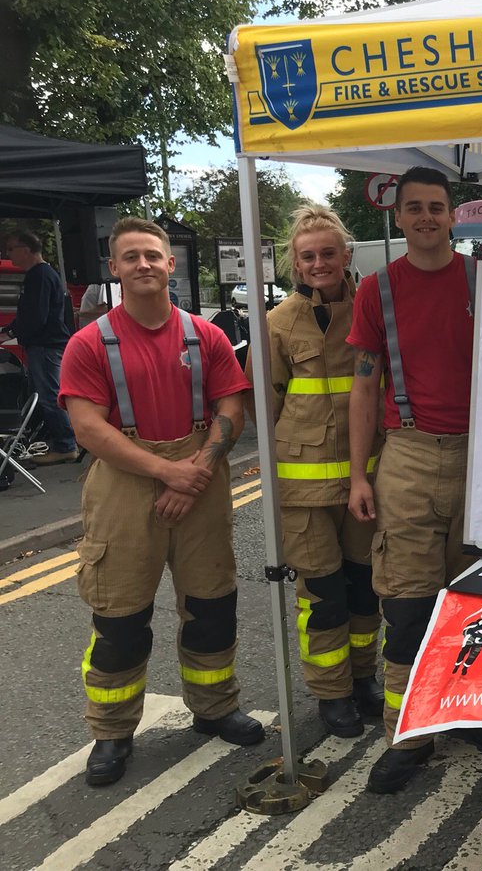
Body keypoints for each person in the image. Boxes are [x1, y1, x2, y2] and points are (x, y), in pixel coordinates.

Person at [59, 217, 264, 787]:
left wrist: (194, 471)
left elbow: (231, 410)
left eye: (154, 255)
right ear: (115, 268)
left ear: (172, 264)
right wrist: (167, 473)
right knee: (121, 617)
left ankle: (215, 706)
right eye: (132, 257)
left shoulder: (208, 336)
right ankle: (112, 731)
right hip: (127, 485)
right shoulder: (88, 343)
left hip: (198, 475)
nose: (144, 264)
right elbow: (88, 429)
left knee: (212, 606)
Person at [346, 167, 482, 794]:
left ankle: (470, 710)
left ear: (453, 215)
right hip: (407, 453)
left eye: (437, 207)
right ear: (398, 218)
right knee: (407, 604)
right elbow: (364, 382)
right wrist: (359, 473)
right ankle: (408, 735)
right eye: (415, 209)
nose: (427, 218)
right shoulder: (376, 290)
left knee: (479, 602)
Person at [254, 205, 384, 738]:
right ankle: (331, 693)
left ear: (346, 255)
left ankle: (363, 679)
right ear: (295, 262)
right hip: (302, 488)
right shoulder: (278, 323)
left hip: (364, 481)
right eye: (308, 256)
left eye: (328, 253)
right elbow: (266, 405)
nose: (319, 263)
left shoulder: (370, 310)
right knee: (323, 596)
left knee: (365, 588)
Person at [3, 229, 78, 464]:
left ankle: (66, 444)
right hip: (44, 345)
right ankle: (59, 441)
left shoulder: (40, 276)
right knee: (43, 395)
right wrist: (8, 331)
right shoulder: (41, 275)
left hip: (46, 346)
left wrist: (12, 332)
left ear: (25, 249)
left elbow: (36, 316)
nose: (7, 254)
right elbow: (29, 313)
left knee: (49, 397)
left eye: (10, 249)